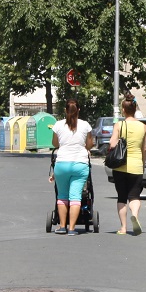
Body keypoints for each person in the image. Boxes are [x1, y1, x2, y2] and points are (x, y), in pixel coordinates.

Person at [50, 99, 93, 235]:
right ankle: (72, 228)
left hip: (62, 164)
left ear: (65, 110)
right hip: (80, 164)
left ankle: (62, 226)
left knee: (62, 196)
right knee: (75, 196)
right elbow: (90, 144)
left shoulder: (58, 125)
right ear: (78, 110)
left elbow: (55, 143)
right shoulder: (85, 125)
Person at [109, 92, 146, 235]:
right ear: (135, 108)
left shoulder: (119, 125)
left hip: (120, 166)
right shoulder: (143, 127)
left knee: (122, 197)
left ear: (123, 110)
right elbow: (144, 148)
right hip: (137, 165)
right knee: (135, 196)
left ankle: (123, 227)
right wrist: (143, 163)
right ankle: (135, 216)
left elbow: (112, 144)